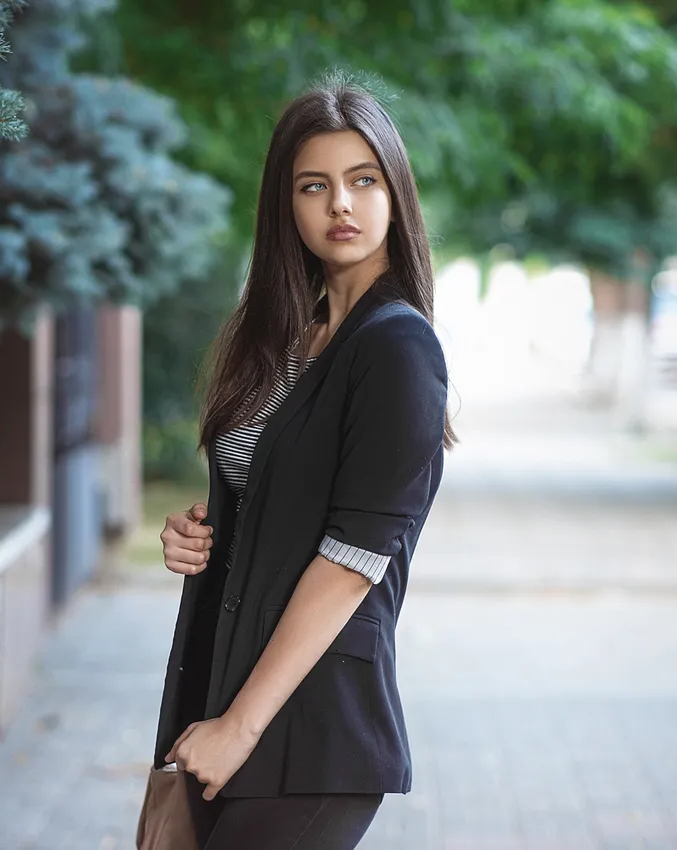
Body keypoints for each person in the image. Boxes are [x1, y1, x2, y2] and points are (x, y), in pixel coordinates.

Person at [150, 76, 456, 850]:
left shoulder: (397, 346)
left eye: (363, 181)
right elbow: (268, 500)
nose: (340, 206)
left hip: (311, 734)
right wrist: (200, 529)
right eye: (314, 186)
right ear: (286, 204)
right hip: (227, 696)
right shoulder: (284, 341)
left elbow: (356, 558)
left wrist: (239, 729)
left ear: (395, 193)